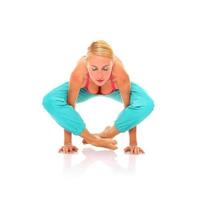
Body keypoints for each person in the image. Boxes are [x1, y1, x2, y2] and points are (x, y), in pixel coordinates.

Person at [42, 40, 155, 155]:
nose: (100, 75)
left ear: (112, 63)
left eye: (106, 68)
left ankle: (108, 134)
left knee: (146, 104)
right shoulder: (79, 72)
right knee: (49, 101)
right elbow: (69, 108)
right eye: (94, 68)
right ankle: (92, 139)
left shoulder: (120, 74)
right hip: (84, 90)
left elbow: (129, 109)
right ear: (87, 64)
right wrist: (67, 143)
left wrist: (133, 143)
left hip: (114, 90)